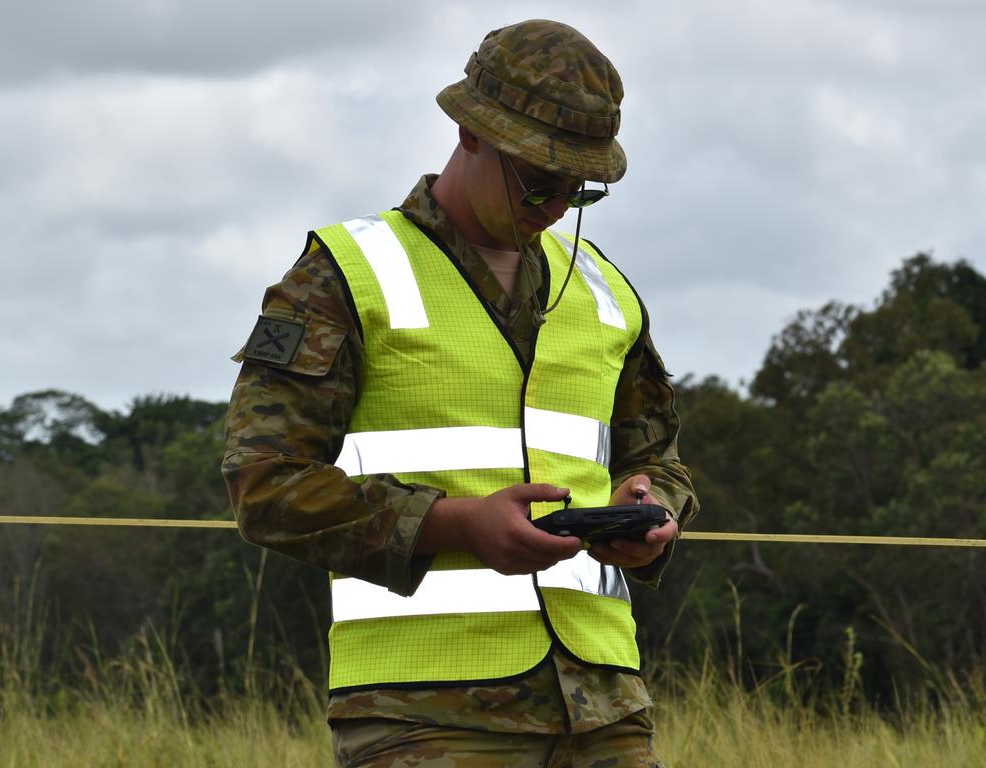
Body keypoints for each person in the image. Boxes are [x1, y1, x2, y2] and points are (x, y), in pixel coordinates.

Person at [223, 19, 698, 768]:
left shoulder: (605, 288)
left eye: (580, 188)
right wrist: (455, 524)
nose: (555, 203)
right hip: (423, 718)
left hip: (606, 712)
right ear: (469, 131)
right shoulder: (344, 274)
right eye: (540, 178)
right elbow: (265, 486)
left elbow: (659, 459)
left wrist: (649, 509)